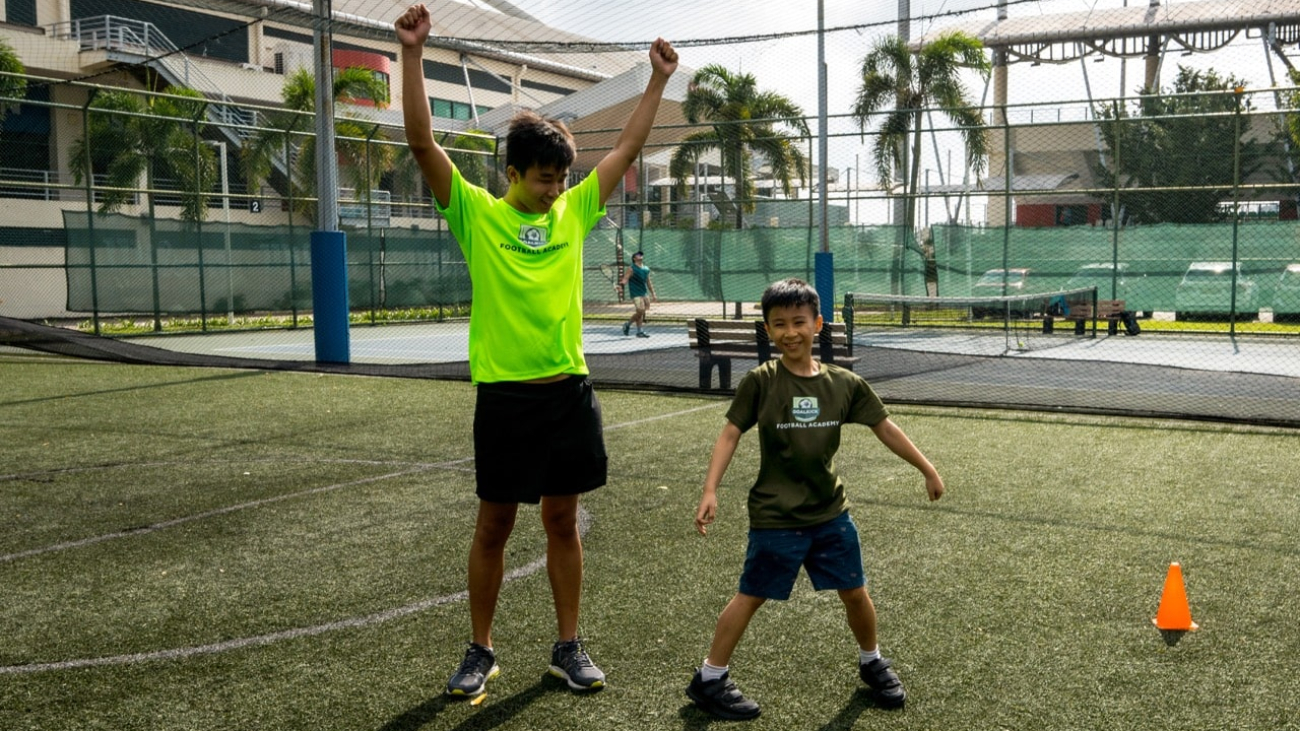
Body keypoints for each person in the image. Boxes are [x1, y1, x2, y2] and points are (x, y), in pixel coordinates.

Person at [395, 3, 678, 697]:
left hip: (567, 391)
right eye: (543, 178)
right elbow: (424, 145)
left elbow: (626, 151)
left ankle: (568, 645)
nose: (555, 189)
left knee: (561, 519)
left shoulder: (574, 212)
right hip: (505, 396)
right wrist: (410, 55)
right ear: (512, 173)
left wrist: (655, 82)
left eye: (560, 178)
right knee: (493, 522)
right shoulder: (476, 214)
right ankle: (480, 648)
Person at [686, 278, 945, 720]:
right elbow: (731, 432)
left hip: (830, 513)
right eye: (779, 324)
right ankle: (710, 678)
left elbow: (885, 427)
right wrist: (710, 489)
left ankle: (872, 662)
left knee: (855, 592)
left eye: (799, 322)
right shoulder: (760, 382)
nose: (790, 332)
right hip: (776, 516)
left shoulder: (845, 385)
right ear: (768, 330)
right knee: (750, 595)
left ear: (817, 324)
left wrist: (926, 467)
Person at [620, 251, 657, 337]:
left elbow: (648, 282)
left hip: (644, 293)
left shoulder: (646, 269)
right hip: (635, 293)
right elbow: (625, 279)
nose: (640, 255)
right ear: (634, 258)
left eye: (641, 254)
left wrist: (653, 293)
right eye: (638, 255)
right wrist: (620, 285)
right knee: (640, 310)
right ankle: (628, 324)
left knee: (641, 312)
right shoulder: (631, 268)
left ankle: (638, 331)